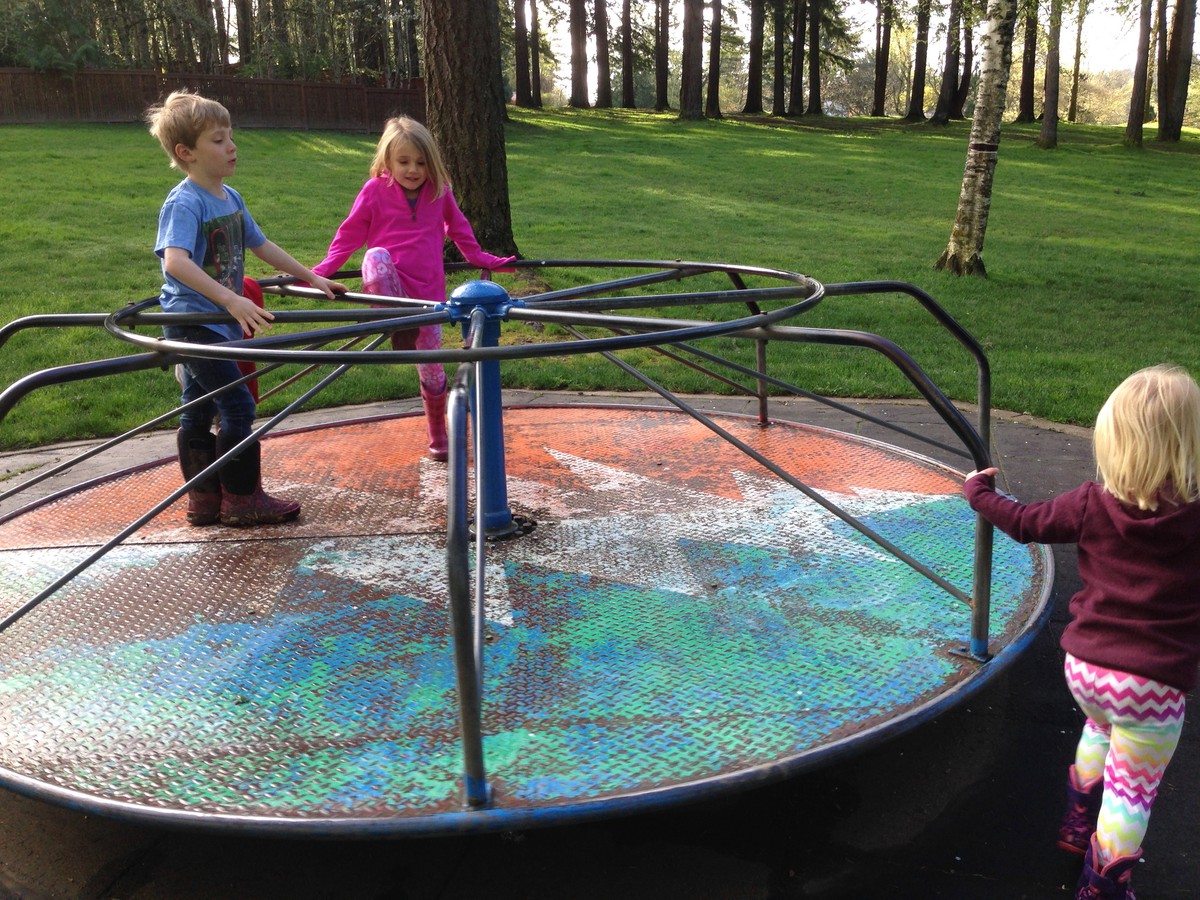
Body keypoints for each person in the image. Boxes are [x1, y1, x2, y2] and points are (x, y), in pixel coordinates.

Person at [963, 364, 1200, 900]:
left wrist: (979, 494)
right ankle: (1104, 884)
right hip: (1152, 685)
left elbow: (1024, 523)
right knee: (1132, 793)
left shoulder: (1091, 502)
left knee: (1099, 730)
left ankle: (1076, 825)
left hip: (1086, 670)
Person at [146, 89, 346, 526]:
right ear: (187, 153)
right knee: (237, 408)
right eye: (218, 140)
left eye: (230, 137)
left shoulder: (230, 198)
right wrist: (231, 298)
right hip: (193, 323)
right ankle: (240, 498)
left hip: (217, 322)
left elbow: (261, 244)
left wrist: (310, 275)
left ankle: (205, 498)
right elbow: (176, 261)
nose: (232, 146)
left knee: (197, 408)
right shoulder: (185, 201)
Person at [312, 116, 515, 461]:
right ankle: (391, 318)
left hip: (429, 297)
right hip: (390, 287)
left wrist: (484, 258)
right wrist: (318, 272)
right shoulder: (374, 190)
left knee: (433, 370)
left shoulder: (439, 191)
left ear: (431, 162)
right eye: (404, 162)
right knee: (375, 256)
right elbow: (349, 235)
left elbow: (460, 229)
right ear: (388, 161)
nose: (413, 170)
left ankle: (438, 435)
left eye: (421, 162)